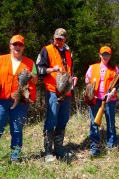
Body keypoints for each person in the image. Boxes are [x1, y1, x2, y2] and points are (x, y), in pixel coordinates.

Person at [0, 35, 38, 167]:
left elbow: (36, 80)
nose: (17, 47)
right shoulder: (0, 59)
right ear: (10, 46)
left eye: (20, 45)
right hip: (1, 99)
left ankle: (15, 159)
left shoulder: (30, 62)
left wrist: (30, 75)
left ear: (23, 47)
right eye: (15, 44)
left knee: (17, 130)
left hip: (20, 101)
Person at [36, 28, 78, 162]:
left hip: (66, 90)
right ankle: (48, 152)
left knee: (63, 119)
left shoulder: (68, 52)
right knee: (52, 119)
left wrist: (73, 78)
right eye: (56, 38)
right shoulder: (46, 50)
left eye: (61, 39)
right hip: (53, 90)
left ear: (65, 38)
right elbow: (38, 68)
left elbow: (70, 70)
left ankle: (59, 149)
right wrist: (51, 69)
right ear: (53, 38)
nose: (58, 41)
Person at [85, 46, 119, 156]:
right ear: (100, 55)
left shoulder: (114, 68)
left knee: (111, 124)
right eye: (103, 54)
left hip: (110, 99)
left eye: (108, 54)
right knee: (94, 123)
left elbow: (118, 82)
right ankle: (95, 146)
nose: (105, 56)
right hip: (96, 100)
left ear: (110, 56)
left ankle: (111, 145)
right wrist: (88, 85)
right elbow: (87, 79)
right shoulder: (93, 67)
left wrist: (112, 93)